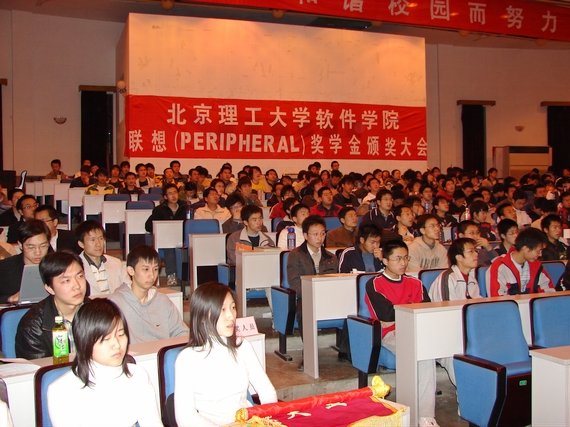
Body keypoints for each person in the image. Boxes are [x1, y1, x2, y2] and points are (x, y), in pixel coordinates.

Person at [47, 298, 162, 427]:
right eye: (106, 339)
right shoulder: (62, 390)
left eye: (120, 334)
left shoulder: (138, 375)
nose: (117, 344)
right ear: (85, 342)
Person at [174, 282, 277, 426]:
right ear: (202, 316)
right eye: (222, 309)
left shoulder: (242, 347)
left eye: (233, 307)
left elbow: (267, 391)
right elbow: (185, 416)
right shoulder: (188, 359)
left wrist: (265, 419)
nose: (231, 316)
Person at [365, 240, 438, 427]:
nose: (403, 263)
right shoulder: (375, 284)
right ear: (385, 261)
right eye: (398, 259)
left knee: (455, 351)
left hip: (419, 329)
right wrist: (410, 308)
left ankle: (469, 405)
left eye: (406, 258)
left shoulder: (415, 283)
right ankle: (425, 417)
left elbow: (426, 309)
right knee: (423, 355)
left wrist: (399, 310)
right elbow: (385, 315)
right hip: (391, 334)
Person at [15, 251, 89, 360]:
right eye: (66, 281)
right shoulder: (33, 326)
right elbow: (38, 367)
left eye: (80, 276)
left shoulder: (99, 312)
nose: (77, 286)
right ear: (50, 289)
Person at [287, 215, 338, 370]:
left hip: (328, 297)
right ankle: (308, 353)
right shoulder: (295, 255)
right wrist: (313, 294)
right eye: (315, 234)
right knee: (304, 310)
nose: (320, 238)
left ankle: (346, 350)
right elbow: (295, 283)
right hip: (306, 296)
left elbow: (336, 281)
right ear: (305, 235)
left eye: (322, 233)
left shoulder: (331, 257)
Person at [109, 245, 188, 344]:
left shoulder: (163, 301)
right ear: (131, 270)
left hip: (162, 352)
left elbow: (181, 332)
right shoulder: (116, 303)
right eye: (146, 269)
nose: (152, 275)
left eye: (155, 269)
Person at [486, 227, 555, 296]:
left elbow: (549, 292)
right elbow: (497, 298)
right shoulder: (499, 267)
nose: (540, 254)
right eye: (539, 250)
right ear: (525, 248)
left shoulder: (536, 265)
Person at [0, 220, 51, 304]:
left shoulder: (58, 266)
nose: (38, 252)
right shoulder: (4, 268)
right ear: (20, 245)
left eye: (43, 246)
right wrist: (10, 299)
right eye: (31, 247)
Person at [75, 220, 131, 295]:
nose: (98, 244)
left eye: (101, 238)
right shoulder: (75, 267)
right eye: (93, 240)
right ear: (81, 244)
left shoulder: (116, 263)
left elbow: (129, 290)